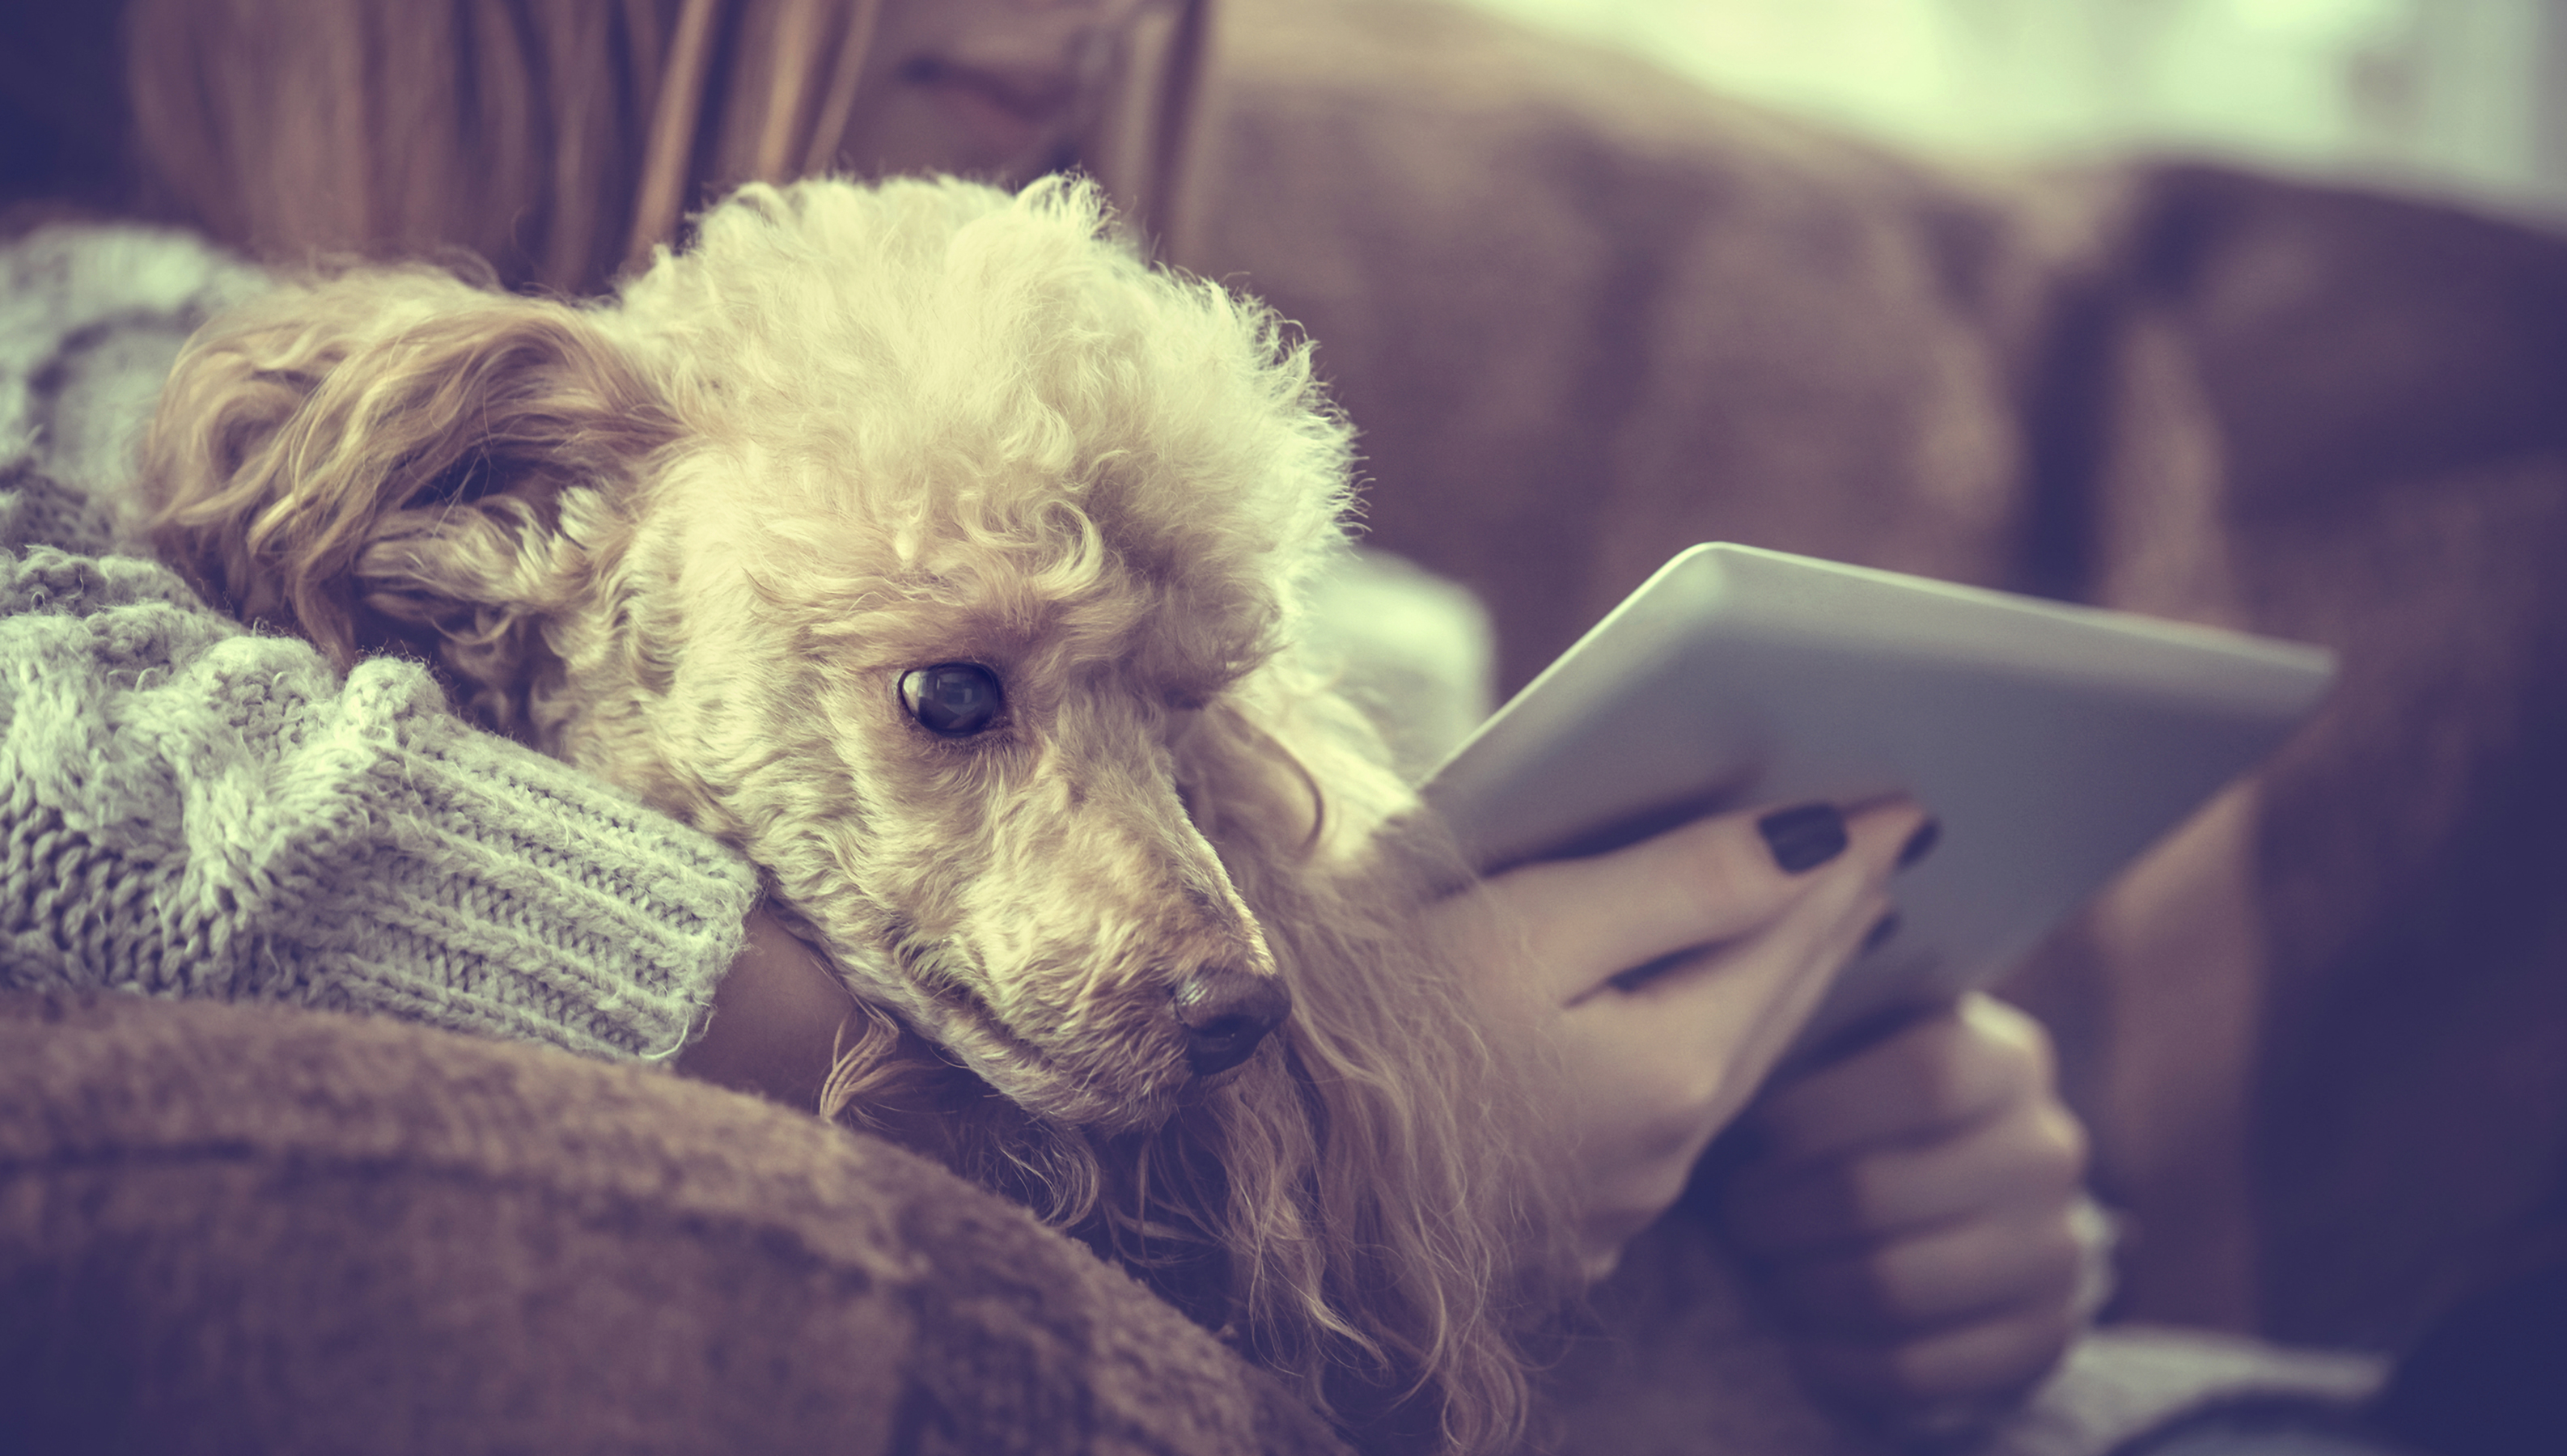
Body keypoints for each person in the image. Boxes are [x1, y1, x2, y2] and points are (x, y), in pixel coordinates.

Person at [51, 0, 2106, 1443]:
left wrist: (1877, 1145)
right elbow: (109, 777)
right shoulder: (101, 380)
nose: (1094, 11)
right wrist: (1368, 1166)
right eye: (952, 699)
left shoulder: (1211, 556)